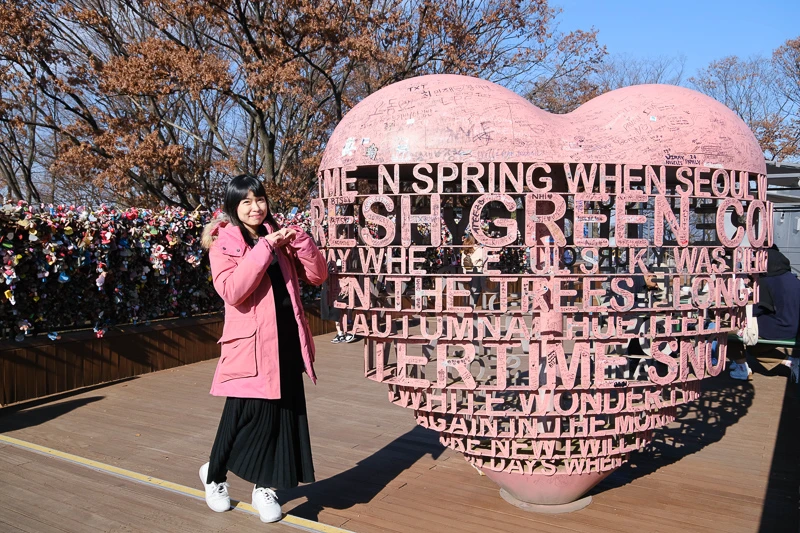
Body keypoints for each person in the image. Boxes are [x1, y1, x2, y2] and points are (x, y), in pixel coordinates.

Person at [199, 174, 327, 522]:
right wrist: (265, 248)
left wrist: (300, 241)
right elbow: (232, 291)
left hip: (287, 338)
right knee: (242, 416)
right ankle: (215, 476)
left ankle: (264, 487)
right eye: (246, 202)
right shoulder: (223, 243)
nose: (255, 208)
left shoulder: (281, 236)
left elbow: (317, 276)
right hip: (249, 346)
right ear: (233, 207)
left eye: (260, 199)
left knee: (281, 416)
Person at [729, 245, 800, 380]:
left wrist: (744, 306)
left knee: (731, 330)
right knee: (754, 347)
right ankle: (790, 361)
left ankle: (741, 367)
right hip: (794, 327)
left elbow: (759, 307)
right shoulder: (792, 278)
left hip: (781, 327)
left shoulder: (767, 280)